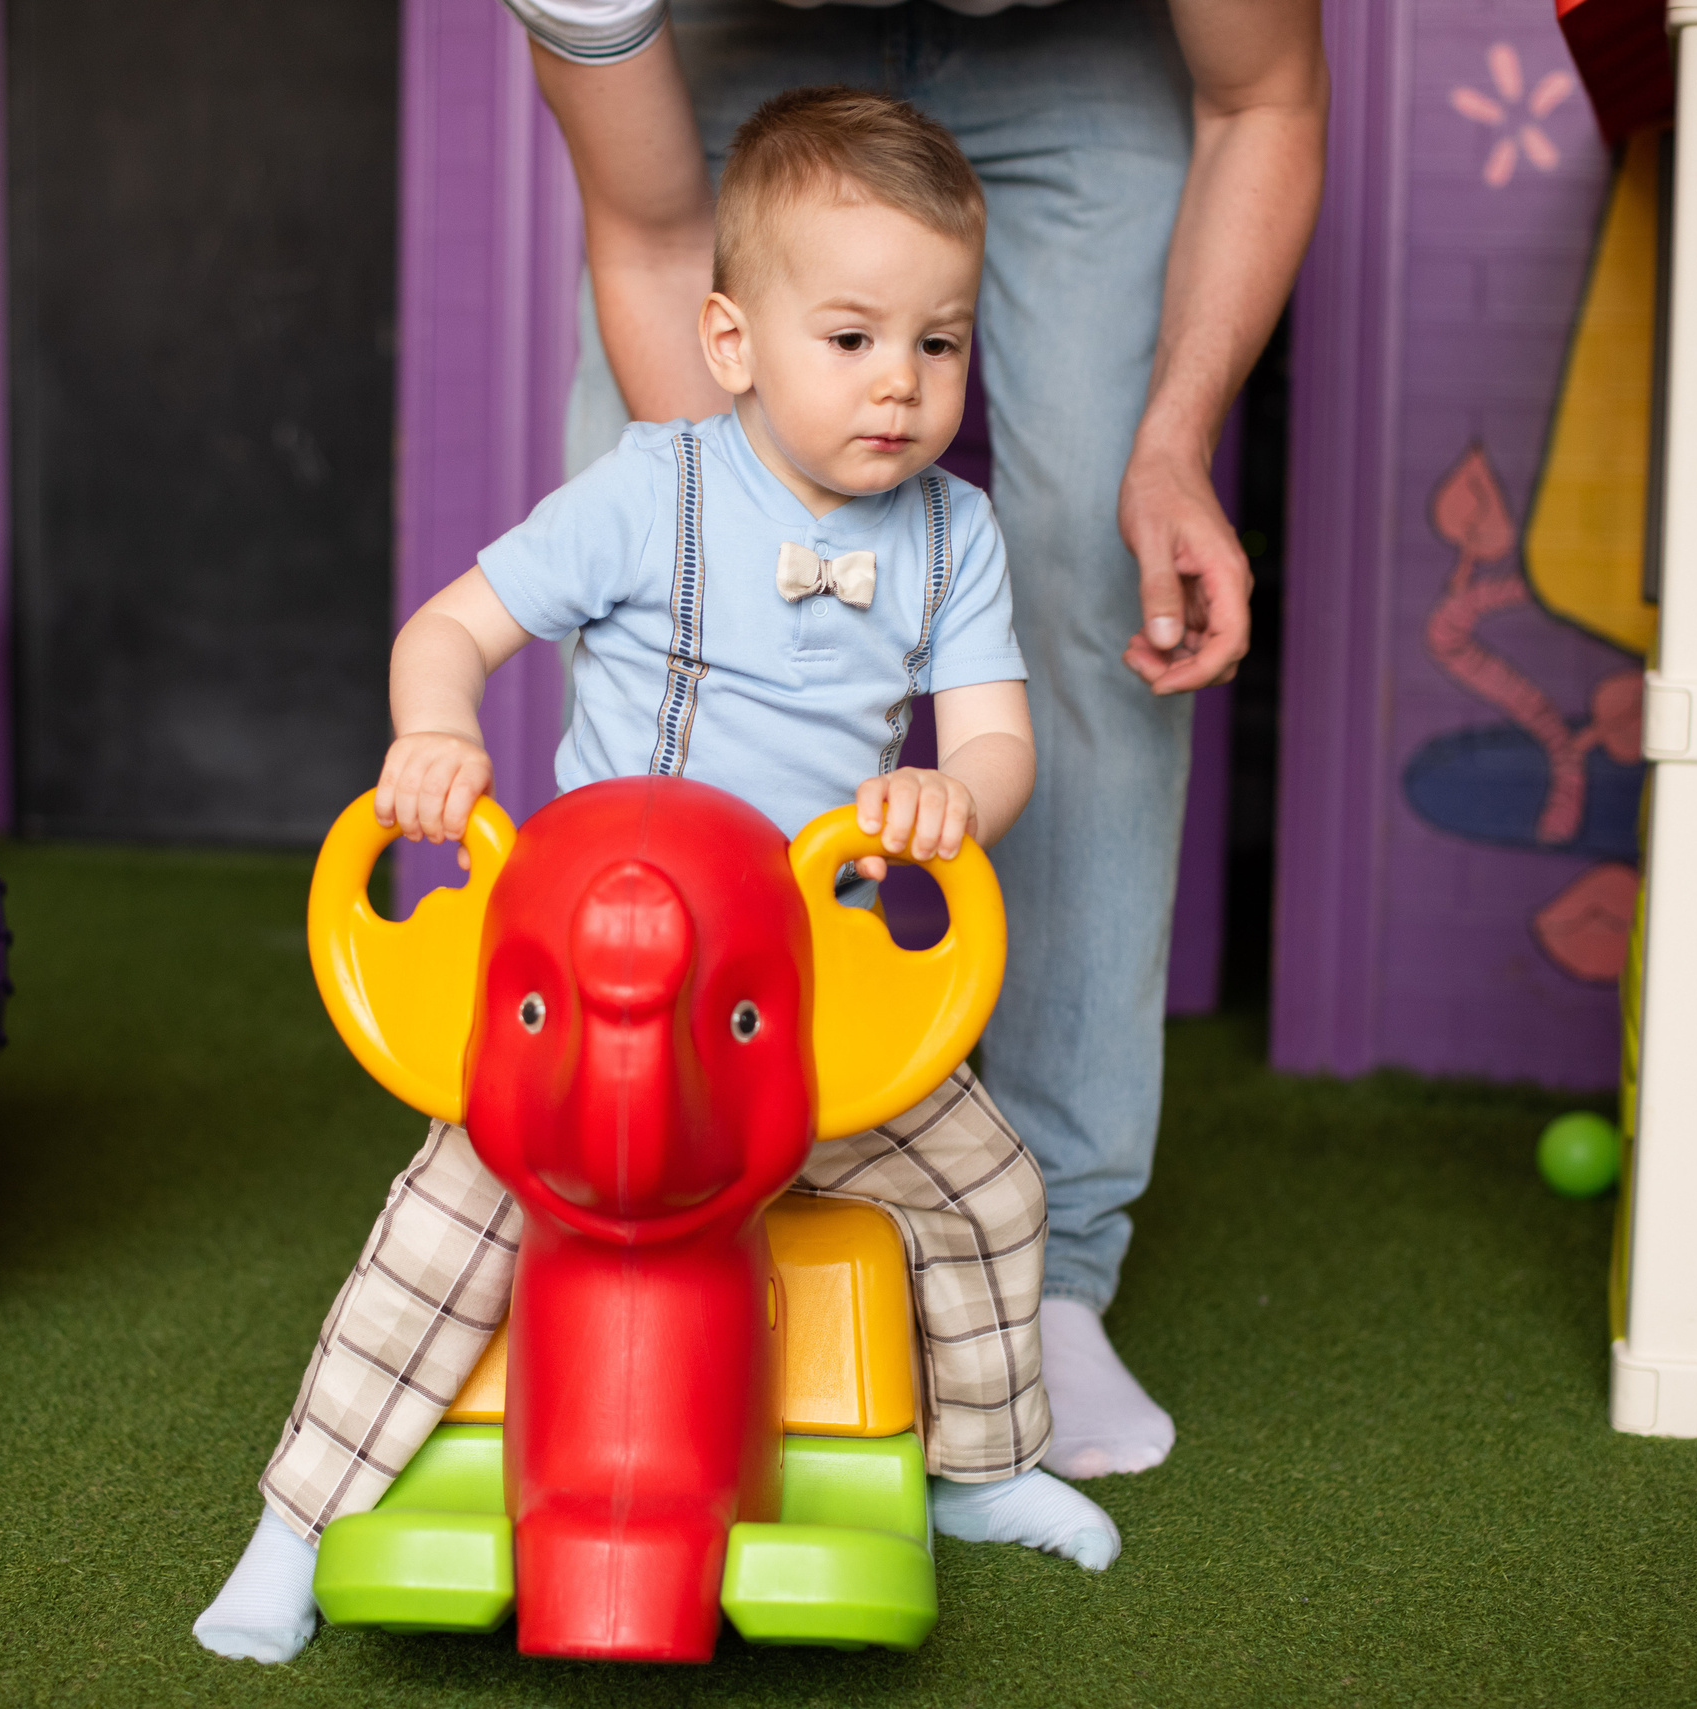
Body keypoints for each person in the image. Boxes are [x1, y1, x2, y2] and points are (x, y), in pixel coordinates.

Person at [198, 90, 1127, 1666]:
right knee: (449, 1229)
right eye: (851, 338)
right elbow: (453, 628)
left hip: (795, 984)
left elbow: (1000, 743)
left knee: (988, 1189)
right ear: (732, 336)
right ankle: (294, 1525)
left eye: (942, 342)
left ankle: (981, 1464)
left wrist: (945, 795)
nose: (902, 386)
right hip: (612, 990)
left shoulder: (953, 536)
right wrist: (434, 734)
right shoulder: (656, 489)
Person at [527, 0, 1326, 1484]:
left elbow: (1262, 98)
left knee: (1100, 573)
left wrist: (1172, 444)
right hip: (733, 59)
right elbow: (648, 240)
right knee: (646, 576)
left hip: (1087, 65)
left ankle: (1048, 1272)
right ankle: (651, 1193)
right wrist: (733, 540)